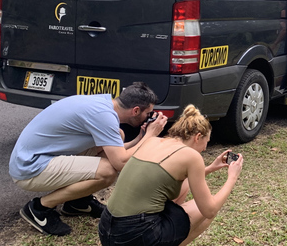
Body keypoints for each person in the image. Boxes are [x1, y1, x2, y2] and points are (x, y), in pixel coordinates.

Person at [10, 82, 167, 236]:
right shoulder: (103, 116)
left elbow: (118, 151)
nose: (149, 117)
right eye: (148, 114)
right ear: (136, 110)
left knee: (119, 135)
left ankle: (78, 202)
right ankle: (39, 208)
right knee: (107, 172)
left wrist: (141, 137)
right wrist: (151, 135)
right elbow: (121, 162)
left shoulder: (103, 104)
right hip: (30, 168)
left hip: (40, 155)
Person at [98, 104, 243, 246]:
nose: (205, 149)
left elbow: (159, 178)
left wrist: (211, 168)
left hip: (106, 229)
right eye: (206, 142)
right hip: (136, 235)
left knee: (184, 183)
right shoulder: (191, 156)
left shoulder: (153, 141)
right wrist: (232, 177)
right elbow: (209, 209)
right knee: (207, 205)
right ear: (198, 137)